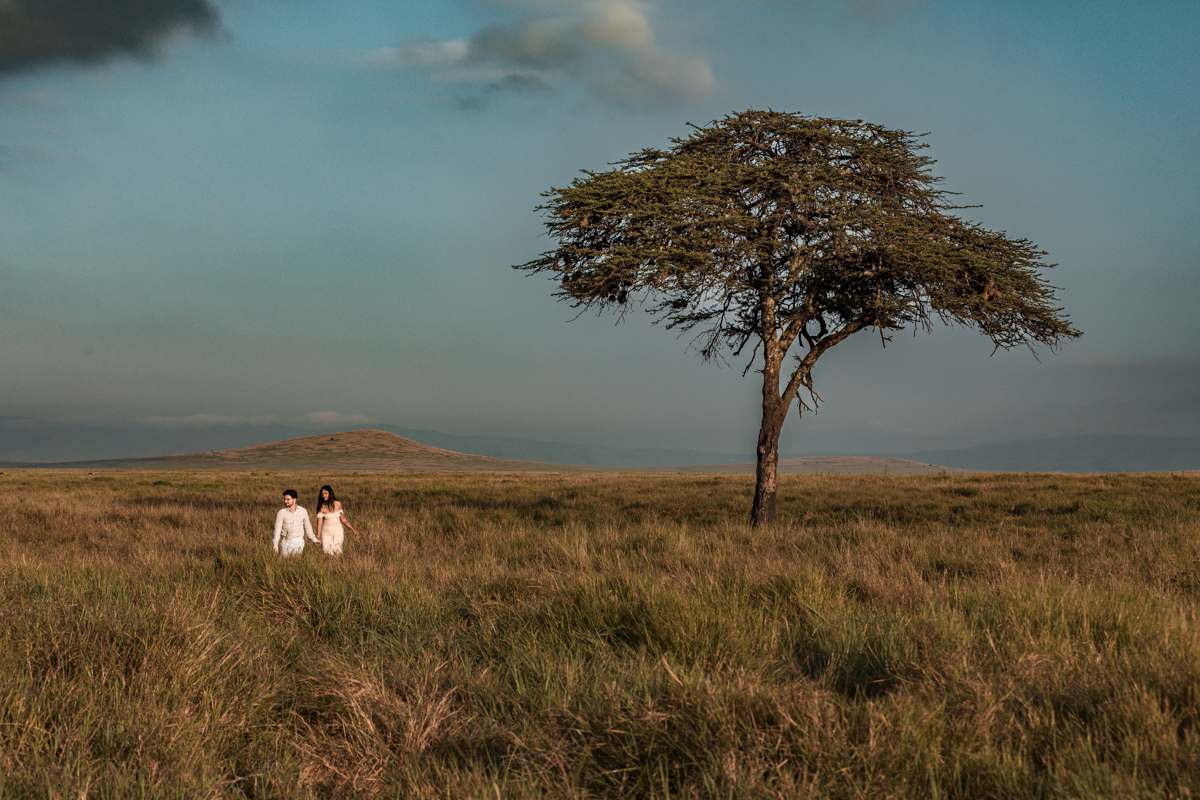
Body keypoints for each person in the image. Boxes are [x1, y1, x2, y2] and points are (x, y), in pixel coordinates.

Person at [314, 484, 360, 556]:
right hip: (326, 532)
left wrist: (352, 529)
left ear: (330, 493)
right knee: (327, 552)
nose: (324, 495)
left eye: (326, 493)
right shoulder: (321, 506)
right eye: (322, 494)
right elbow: (319, 523)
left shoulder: (338, 503)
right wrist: (318, 536)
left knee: (337, 551)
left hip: (338, 531)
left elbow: (343, 518)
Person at [273, 489, 317, 557]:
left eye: (288, 499)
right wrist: (275, 545)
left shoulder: (303, 511)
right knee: (286, 563)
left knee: (297, 562)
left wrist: (314, 539)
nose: (285, 501)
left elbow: (308, 527)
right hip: (286, 542)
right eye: (284, 499)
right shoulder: (281, 513)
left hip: (299, 541)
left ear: (294, 500)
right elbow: (277, 530)